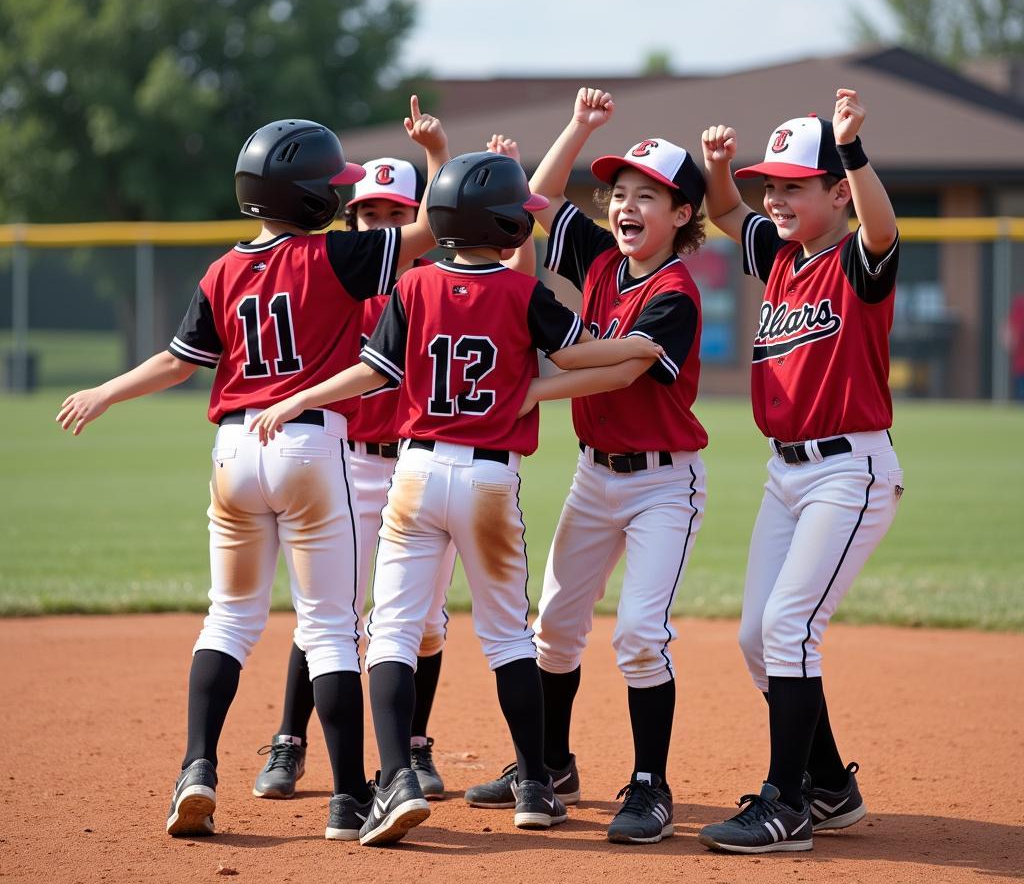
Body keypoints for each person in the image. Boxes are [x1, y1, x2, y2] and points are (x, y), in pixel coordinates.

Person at [57, 101, 445, 843]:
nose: (339, 193)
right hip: (308, 445)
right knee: (330, 627)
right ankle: (348, 802)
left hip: (233, 452)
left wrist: (106, 390)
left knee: (229, 618)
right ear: (310, 196)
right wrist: (432, 158)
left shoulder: (224, 268)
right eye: (331, 184)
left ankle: (196, 770)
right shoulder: (334, 255)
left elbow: (177, 363)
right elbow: (427, 233)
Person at [249, 150, 663, 846]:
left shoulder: (412, 289)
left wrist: (300, 398)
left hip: (414, 476)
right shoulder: (522, 294)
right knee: (506, 636)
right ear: (501, 223)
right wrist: (638, 349)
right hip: (489, 483)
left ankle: (396, 779)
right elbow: (577, 354)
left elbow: (370, 375)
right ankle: (535, 785)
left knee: (391, 633)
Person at [254, 136, 534, 804]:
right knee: (333, 613)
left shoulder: (429, 284)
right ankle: (290, 741)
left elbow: (500, 265)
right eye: (368, 215)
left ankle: (411, 745)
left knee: (423, 619)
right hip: (349, 463)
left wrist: (440, 156)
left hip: (411, 466)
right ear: (350, 220)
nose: (379, 226)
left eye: (394, 215)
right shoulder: (344, 278)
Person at [465, 87, 710, 845]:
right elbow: (535, 197)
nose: (626, 206)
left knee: (638, 635)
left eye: (648, 197)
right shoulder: (603, 262)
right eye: (619, 195)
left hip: (665, 484)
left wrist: (531, 387)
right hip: (595, 475)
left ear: (682, 219)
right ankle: (551, 763)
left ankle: (650, 785)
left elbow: (620, 372)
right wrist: (576, 127)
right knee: (555, 629)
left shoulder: (676, 295)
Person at [696, 89, 904, 854]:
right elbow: (723, 214)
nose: (774, 197)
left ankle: (786, 805)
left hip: (848, 472)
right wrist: (720, 169)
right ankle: (829, 786)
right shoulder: (780, 257)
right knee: (758, 637)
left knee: (790, 626)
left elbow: (882, 228)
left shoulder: (856, 258)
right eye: (770, 184)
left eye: (793, 185)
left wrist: (853, 148)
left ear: (836, 192)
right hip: (784, 475)